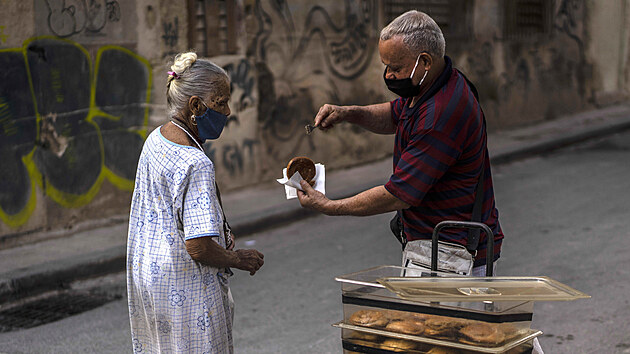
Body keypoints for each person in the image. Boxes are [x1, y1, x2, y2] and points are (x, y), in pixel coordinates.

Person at [297, 10, 503, 275]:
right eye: (386, 66)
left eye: (395, 68)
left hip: (453, 254)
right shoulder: (435, 83)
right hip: (437, 248)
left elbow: (399, 194)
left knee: (439, 320)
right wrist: (349, 113)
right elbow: (395, 115)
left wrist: (330, 206)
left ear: (425, 61)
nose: (389, 75)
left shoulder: (439, 114)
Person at [126, 52, 264, 353]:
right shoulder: (195, 162)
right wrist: (238, 259)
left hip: (152, 279)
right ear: (195, 106)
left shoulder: (156, 139)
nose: (228, 111)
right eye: (221, 102)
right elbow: (198, 246)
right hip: (185, 285)